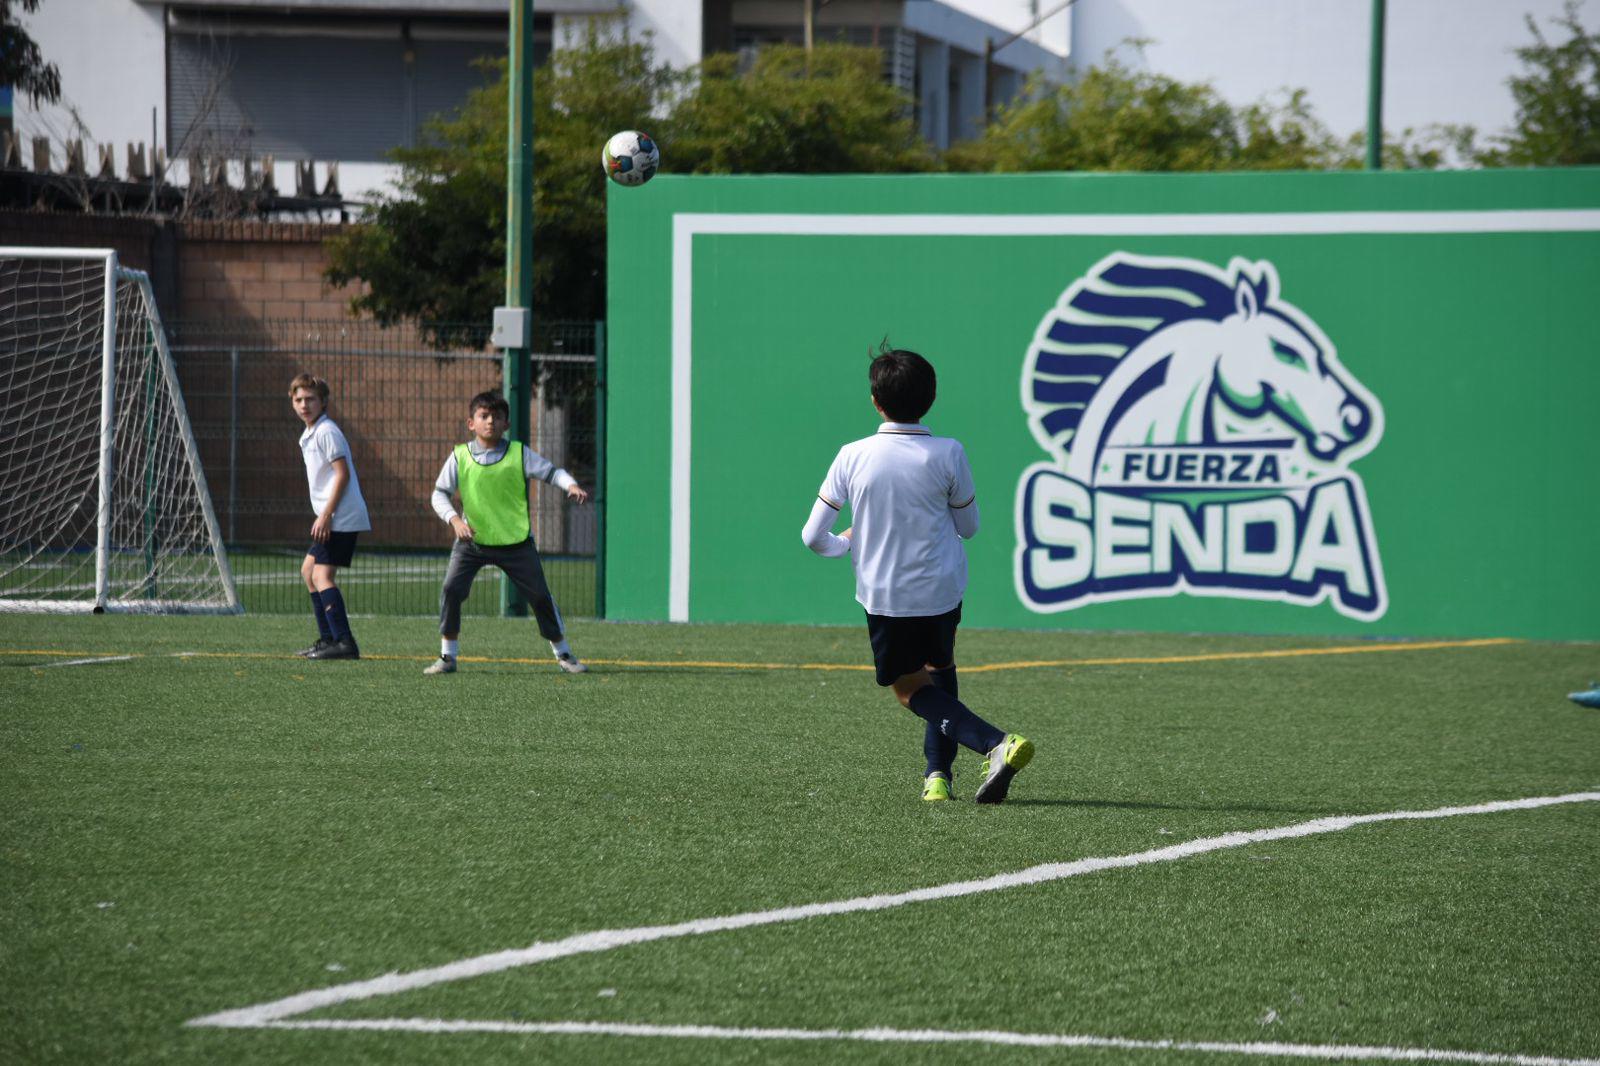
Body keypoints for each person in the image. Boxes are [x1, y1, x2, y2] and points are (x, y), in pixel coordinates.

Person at [801, 346, 1034, 803]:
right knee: (939, 673)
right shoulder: (949, 452)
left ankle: (995, 743)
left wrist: (847, 543)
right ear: (931, 398)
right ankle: (937, 778)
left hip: (886, 594)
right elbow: (968, 528)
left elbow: (813, 537)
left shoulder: (852, 455)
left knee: (909, 689)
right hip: (943, 590)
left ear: (875, 400)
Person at [425, 389, 591, 676]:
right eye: (484, 416)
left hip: (516, 543)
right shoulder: (459, 455)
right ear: (471, 423)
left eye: (497, 417)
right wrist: (455, 521)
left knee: (540, 597)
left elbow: (552, 472)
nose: (490, 421)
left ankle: (564, 653)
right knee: (452, 590)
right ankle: (447, 656)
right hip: (472, 542)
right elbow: (439, 494)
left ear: (507, 424)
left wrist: (571, 485)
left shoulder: (518, 453)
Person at [290, 373, 369, 660]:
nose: (304, 404)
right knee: (308, 572)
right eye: (298, 399)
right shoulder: (310, 433)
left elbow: (342, 474)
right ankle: (327, 640)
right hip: (332, 516)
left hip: (341, 517)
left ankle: (345, 643)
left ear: (323, 402)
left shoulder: (326, 431)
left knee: (322, 574)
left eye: (310, 399)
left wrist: (326, 515)